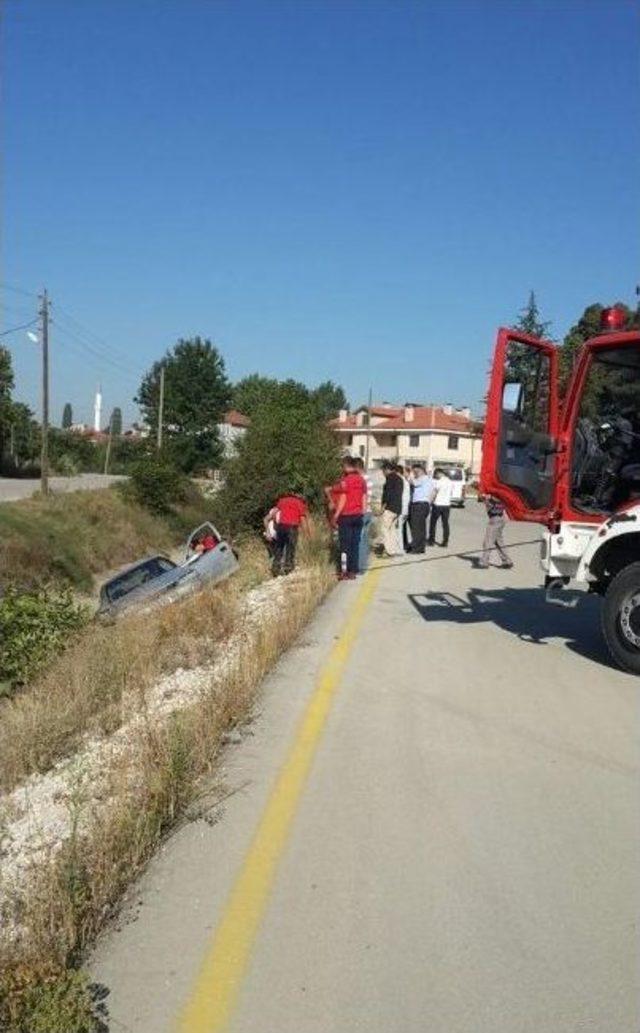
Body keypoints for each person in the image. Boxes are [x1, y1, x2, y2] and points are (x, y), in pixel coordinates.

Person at [332, 456, 366, 579]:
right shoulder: (361, 480)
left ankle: (344, 571)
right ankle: (353, 571)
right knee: (355, 544)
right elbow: (364, 497)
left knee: (345, 545)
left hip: (346, 515)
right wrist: (362, 511)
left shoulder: (345, 481)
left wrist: (336, 514)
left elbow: (343, 498)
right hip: (358, 515)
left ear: (346, 466)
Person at [264, 490, 308, 576]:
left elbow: (274, 513)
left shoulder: (282, 500)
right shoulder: (299, 503)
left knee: (279, 547)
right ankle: (288, 567)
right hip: (292, 527)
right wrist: (305, 532)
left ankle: (275, 568)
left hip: (281, 526)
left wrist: (272, 522)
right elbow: (302, 519)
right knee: (290, 547)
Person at [478, 495, 513, 569]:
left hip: (496, 518)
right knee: (498, 541)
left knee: (488, 541)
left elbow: (498, 498)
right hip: (499, 518)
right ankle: (507, 561)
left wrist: (490, 497)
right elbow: (482, 499)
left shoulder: (495, 492)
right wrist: (484, 497)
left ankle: (484, 562)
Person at [378, 461, 404, 557]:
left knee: (384, 529)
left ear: (387, 469)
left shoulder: (390, 478)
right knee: (392, 529)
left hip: (390, 508)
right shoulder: (399, 478)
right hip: (397, 508)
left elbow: (387, 494)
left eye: (383, 471)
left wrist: (383, 507)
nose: (383, 473)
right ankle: (392, 549)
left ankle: (388, 551)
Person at [353, 457, 373, 572]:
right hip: (368, 512)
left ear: (357, 468)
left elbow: (363, 498)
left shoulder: (361, 480)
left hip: (362, 512)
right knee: (364, 539)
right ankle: (363, 565)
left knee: (359, 539)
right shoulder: (368, 479)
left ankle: (359, 567)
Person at [409, 464, 434, 553]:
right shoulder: (429, 479)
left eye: (416, 472)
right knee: (421, 528)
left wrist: (410, 475)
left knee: (416, 527)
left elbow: (414, 483)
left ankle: (416, 548)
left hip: (419, 505)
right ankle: (421, 547)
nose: (415, 474)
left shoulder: (423, 478)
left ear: (421, 471)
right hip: (424, 505)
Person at [428, 468, 452, 547]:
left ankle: (431, 540)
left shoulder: (439, 482)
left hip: (438, 505)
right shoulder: (450, 482)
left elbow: (434, 493)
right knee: (445, 524)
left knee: (433, 523)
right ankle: (445, 542)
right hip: (447, 505)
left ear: (439, 473)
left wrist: (430, 502)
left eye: (436, 475)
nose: (436, 477)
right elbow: (450, 493)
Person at [397, 464, 411, 554]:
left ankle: (400, 548)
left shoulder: (401, 481)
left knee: (399, 529)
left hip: (401, 508)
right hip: (405, 508)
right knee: (402, 528)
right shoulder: (405, 481)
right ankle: (405, 545)